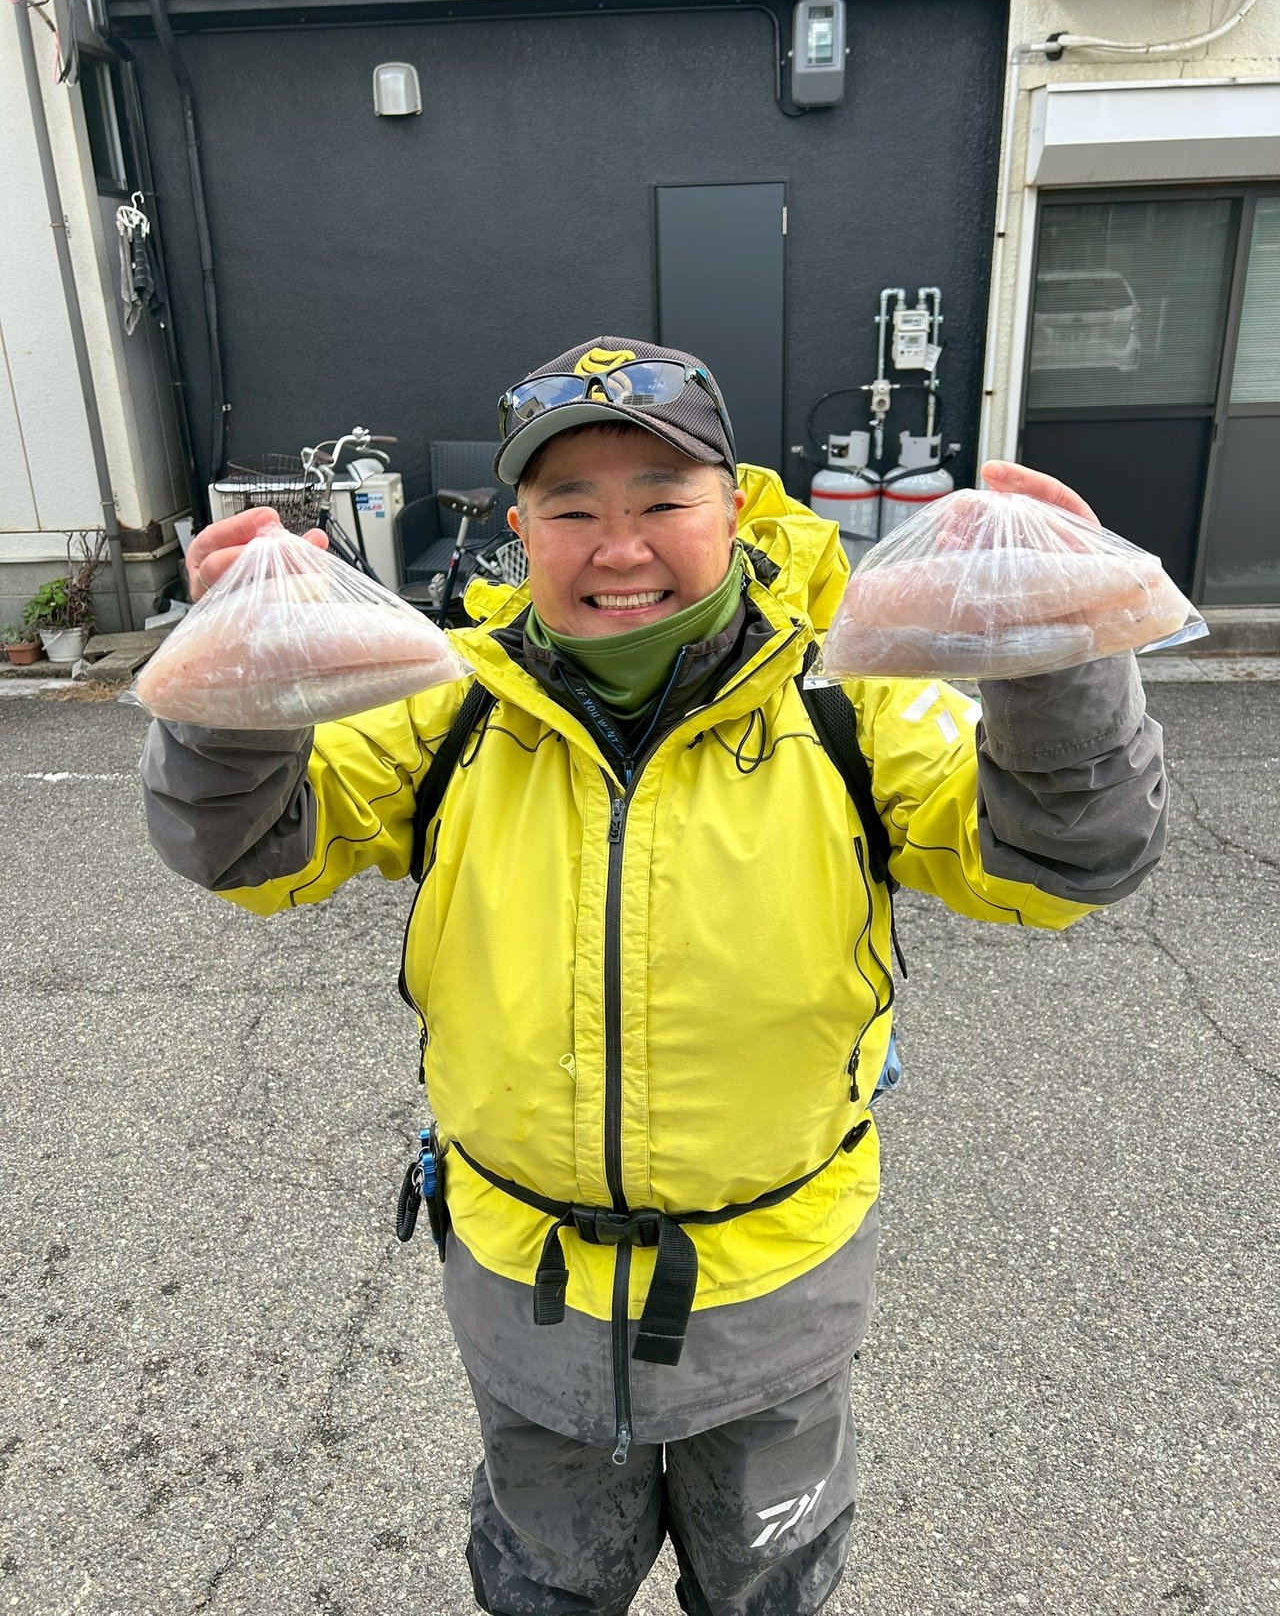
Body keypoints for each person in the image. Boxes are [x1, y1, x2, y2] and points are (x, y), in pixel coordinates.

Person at [141, 338, 1167, 1615]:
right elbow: (244, 849)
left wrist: (1060, 651)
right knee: (544, 1581)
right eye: (570, 508)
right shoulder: (447, 705)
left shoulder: (851, 702)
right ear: (519, 531)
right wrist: (228, 684)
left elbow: (1065, 859)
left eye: (661, 500)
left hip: (775, 1282)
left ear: (732, 509)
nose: (617, 548)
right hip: (524, 1282)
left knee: (768, 1583)